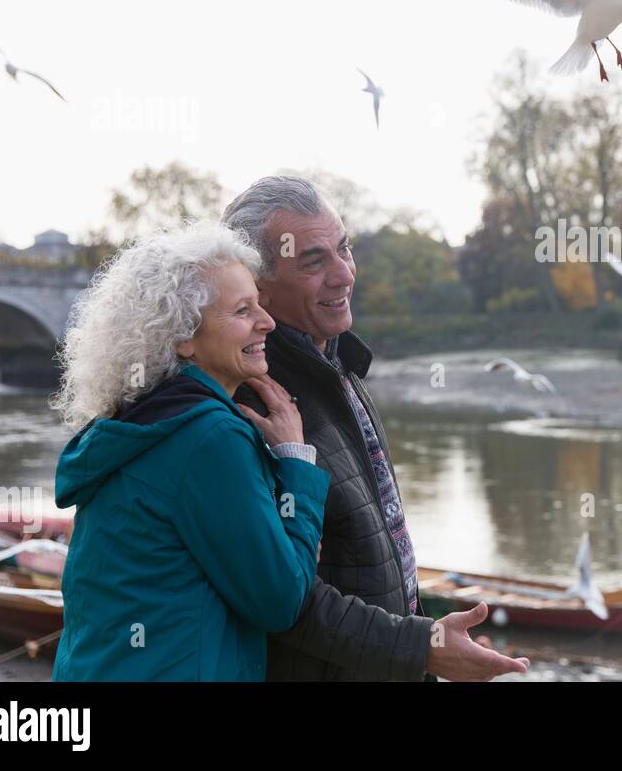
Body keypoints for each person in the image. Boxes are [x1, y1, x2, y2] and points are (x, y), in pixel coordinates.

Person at [223, 176, 528, 681]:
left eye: (344, 249)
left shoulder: (337, 368)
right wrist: (424, 649)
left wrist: (425, 643)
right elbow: (284, 600)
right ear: (256, 285)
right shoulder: (252, 402)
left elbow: (368, 561)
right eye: (313, 261)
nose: (344, 275)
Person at [50, 222, 328, 681]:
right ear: (183, 337)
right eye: (243, 310)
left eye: (259, 303)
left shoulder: (134, 418)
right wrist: (297, 462)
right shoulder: (208, 439)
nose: (268, 322)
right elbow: (280, 601)